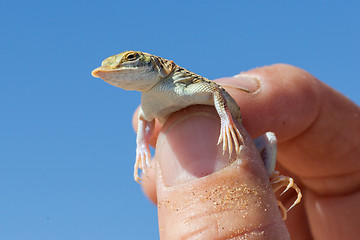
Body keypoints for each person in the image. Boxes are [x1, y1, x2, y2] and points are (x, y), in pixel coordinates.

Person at [133, 64, 360, 239]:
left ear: (156, 65)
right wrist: (141, 146)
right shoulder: (150, 99)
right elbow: (145, 119)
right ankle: (269, 184)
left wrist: (224, 121)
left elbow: (213, 90)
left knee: (269, 139)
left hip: (236, 131)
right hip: (236, 141)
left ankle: (269, 180)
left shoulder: (179, 84)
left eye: (131, 59)